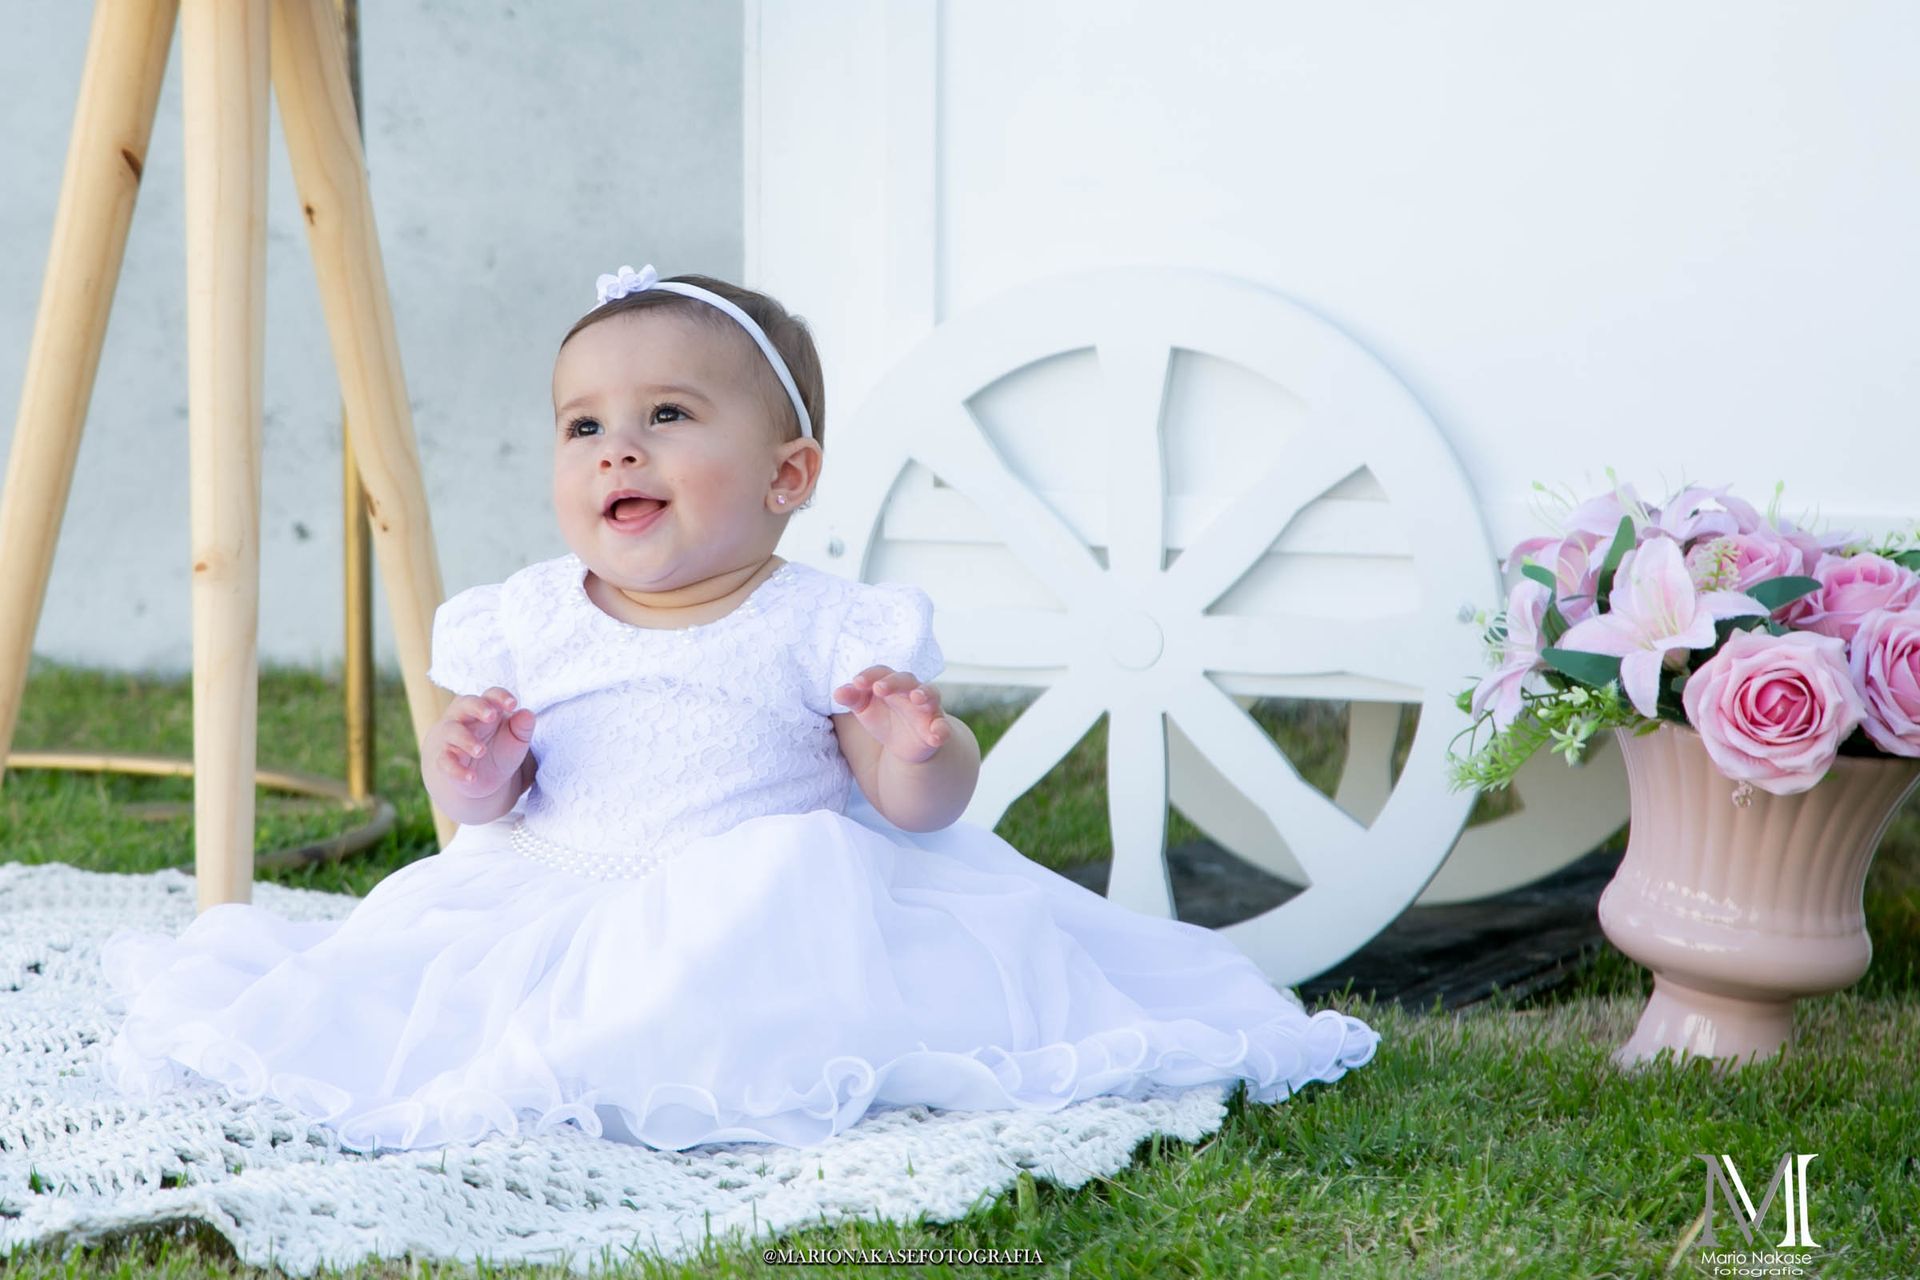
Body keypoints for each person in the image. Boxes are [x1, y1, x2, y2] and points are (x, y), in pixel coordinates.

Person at [95, 264, 1379, 1154]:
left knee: (758, 915)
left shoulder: (822, 622)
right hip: (557, 889)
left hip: (762, 904)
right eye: (584, 424)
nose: (619, 447)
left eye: (667, 415)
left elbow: (917, 810)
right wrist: (473, 762)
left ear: (788, 473)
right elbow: (484, 808)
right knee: (410, 1000)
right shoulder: (530, 616)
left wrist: (923, 746)